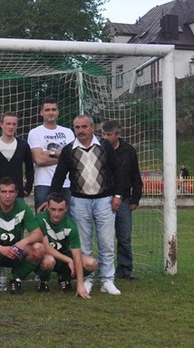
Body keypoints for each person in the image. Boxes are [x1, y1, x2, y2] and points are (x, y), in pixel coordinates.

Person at [50, 115, 125, 295]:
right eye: (77, 127)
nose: (81, 130)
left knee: (107, 242)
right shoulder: (68, 150)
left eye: (84, 127)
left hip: (105, 200)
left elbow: (118, 170)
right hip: (79, 201)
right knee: (83, 245)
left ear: (92, 128)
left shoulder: (105, 146)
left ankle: (107, 280)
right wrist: (51, 198)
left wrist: (118, 195)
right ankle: (87, 279)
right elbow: (59, 175)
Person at [101, 120, 143, 281]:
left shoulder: (128, 151)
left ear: (118, 135)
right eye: (103, 134)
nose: (106, 137)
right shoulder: (99, 149)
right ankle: (102, 269)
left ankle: (124, 270)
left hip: (124, 200)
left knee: (124, 237)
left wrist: (135, 198)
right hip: (102, 198)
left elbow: (135, 175)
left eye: (109, 134)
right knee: (103, 237)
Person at [36, 193, 96, 297]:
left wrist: (80, 285)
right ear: (47, 207)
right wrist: (69, 260)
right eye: (53, 209)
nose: (56, 214)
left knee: (91, 263)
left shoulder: (70, 225)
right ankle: (43, 280)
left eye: (60, 210)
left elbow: (77, 255)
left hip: (63, 257)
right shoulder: (40, 218)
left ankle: (64, 277)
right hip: (46, 257)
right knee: (48, 261)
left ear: (66, 209)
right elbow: (47, 248)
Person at [27, 98, 74, 211]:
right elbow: (39, 160)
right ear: (41, 112)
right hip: (43, 182)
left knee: (67, 217)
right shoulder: (35, 132)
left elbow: (73, 157)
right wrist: (63, 157)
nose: (51, 112)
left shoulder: (68, 132)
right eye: (47, 110)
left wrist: (49, 153)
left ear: (58, 112)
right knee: (43, 216)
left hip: (66, 183)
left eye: (54, 109)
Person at [0, 112, 33, 200]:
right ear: (1, 124)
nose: (11, 127)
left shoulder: (23, 145)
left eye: (14, 124)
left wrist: (28, 188)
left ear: (17, 125)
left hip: (17, 194)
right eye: (8, 124)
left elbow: (30, 168)